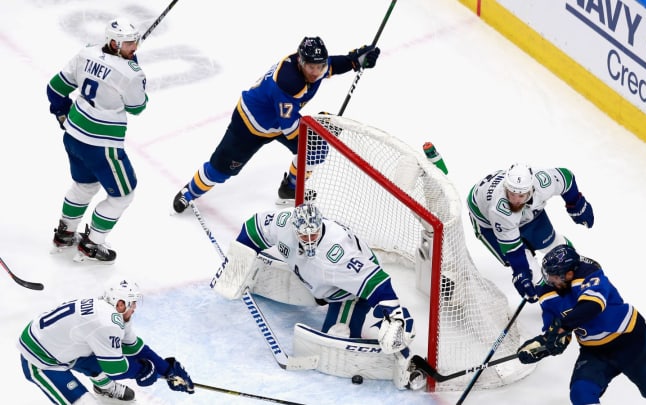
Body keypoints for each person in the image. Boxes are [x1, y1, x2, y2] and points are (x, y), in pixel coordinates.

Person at [214, 203, 424, 390]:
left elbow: (377, 282)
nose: (308, 241)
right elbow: (254, 227)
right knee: (313, 273)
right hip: (315, 278)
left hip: (348, 292)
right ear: (294, 229)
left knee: (336, 335)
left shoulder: (338, 254)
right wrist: (240, 260)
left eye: (312, 235)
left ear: (320, 226)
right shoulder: (284, 223)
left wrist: (394, 315)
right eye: (303, 236)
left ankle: (404, 341)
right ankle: (318, 293)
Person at [171, 36, 381, 212]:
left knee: (315, 150)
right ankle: (189, 192)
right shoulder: (289, 82)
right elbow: (290, 129)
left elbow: (335, 65)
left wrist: (356, 60)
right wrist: (321, 131)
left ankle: (290, 188)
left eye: (319, 66)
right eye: (311, 67)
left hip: (280, 121)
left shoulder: (311, 67)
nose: (316, 72)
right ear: (300, 61)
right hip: (250, 125)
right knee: (220, 171)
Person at [516, 245, 646, 405]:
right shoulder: (547, 294)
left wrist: (561, 327)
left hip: (631, 341)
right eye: (548, 275)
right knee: (581, 393)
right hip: (595, 351)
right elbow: (557, 334)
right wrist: (542, 346)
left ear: (569, 273)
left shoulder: (589, 273)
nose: (549, 280)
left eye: (554, 276)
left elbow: (592, 306)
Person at [47, 17, 149, 263]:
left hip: (73, 135)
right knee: (123, 195)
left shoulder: (86, 53)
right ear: (113, 43)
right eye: (127, 43)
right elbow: (137, 107)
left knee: (84, 186)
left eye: (134, 41)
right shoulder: (131, 73)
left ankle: (65, 234)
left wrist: (61, 112)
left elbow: (54, 88)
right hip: (102, 146)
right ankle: (92, 243)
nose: (133, 46)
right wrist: (132, 65)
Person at [17, 279, 194, 403]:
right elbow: (115, 368)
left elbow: (134, 348)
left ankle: (104, 387)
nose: (135, 307)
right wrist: (143, 371)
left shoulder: (111, 313)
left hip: (61, 348)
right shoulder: (106, 323)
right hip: (41, 360)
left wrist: (167, 370)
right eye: (132, 303)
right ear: (120, 304)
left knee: (104, 352)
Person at [466, 163, 594, 302]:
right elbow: (514, 250)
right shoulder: (499, 210)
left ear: (531, 189)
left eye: (521, 195)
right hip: (489, 224)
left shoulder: (543, 182)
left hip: (529, 213)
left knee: (552, 244)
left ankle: (577, 273)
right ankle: (555, 301)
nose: (515, 200)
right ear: (505, 188)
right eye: (511, 194)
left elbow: (566, 178)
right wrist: (521, 272)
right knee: (531, 273)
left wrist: (576, 204)